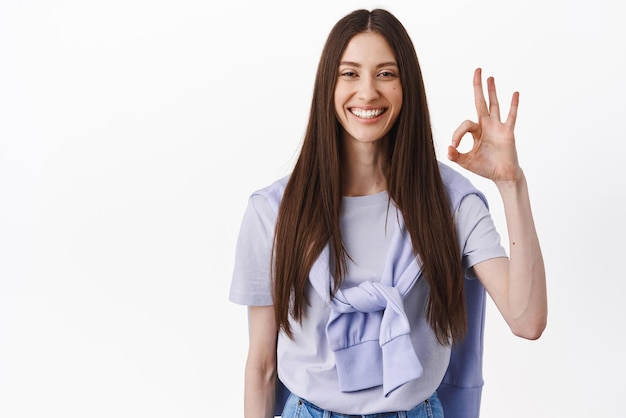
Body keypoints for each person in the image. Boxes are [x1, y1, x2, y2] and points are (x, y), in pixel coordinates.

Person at [229, 8, 547, 418]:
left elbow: (528, 320)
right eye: (349, 73)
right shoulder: (273, 211)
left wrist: (510, 184)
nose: (367, 93)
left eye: (386, 74)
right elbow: (262, 366)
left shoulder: (450, 201)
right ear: (328, 85)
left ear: (407, 87)